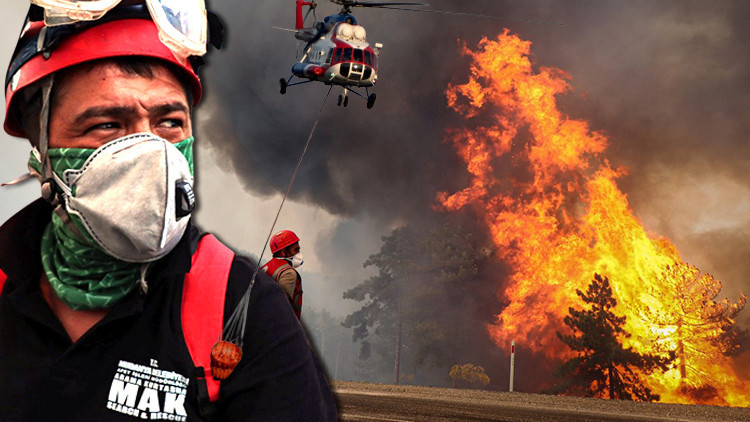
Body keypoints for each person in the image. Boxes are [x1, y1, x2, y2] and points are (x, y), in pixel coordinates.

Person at [0, 1, 337, 420]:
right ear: (42, 149)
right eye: (106, 125)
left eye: (170, 123)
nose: (153, 154)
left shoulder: (244, 310)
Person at [261, 230, 304, 319]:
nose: (299, 253)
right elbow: (280, 308)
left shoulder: (265, 268)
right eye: (296, 250)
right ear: (284, 252)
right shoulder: (288, 273)